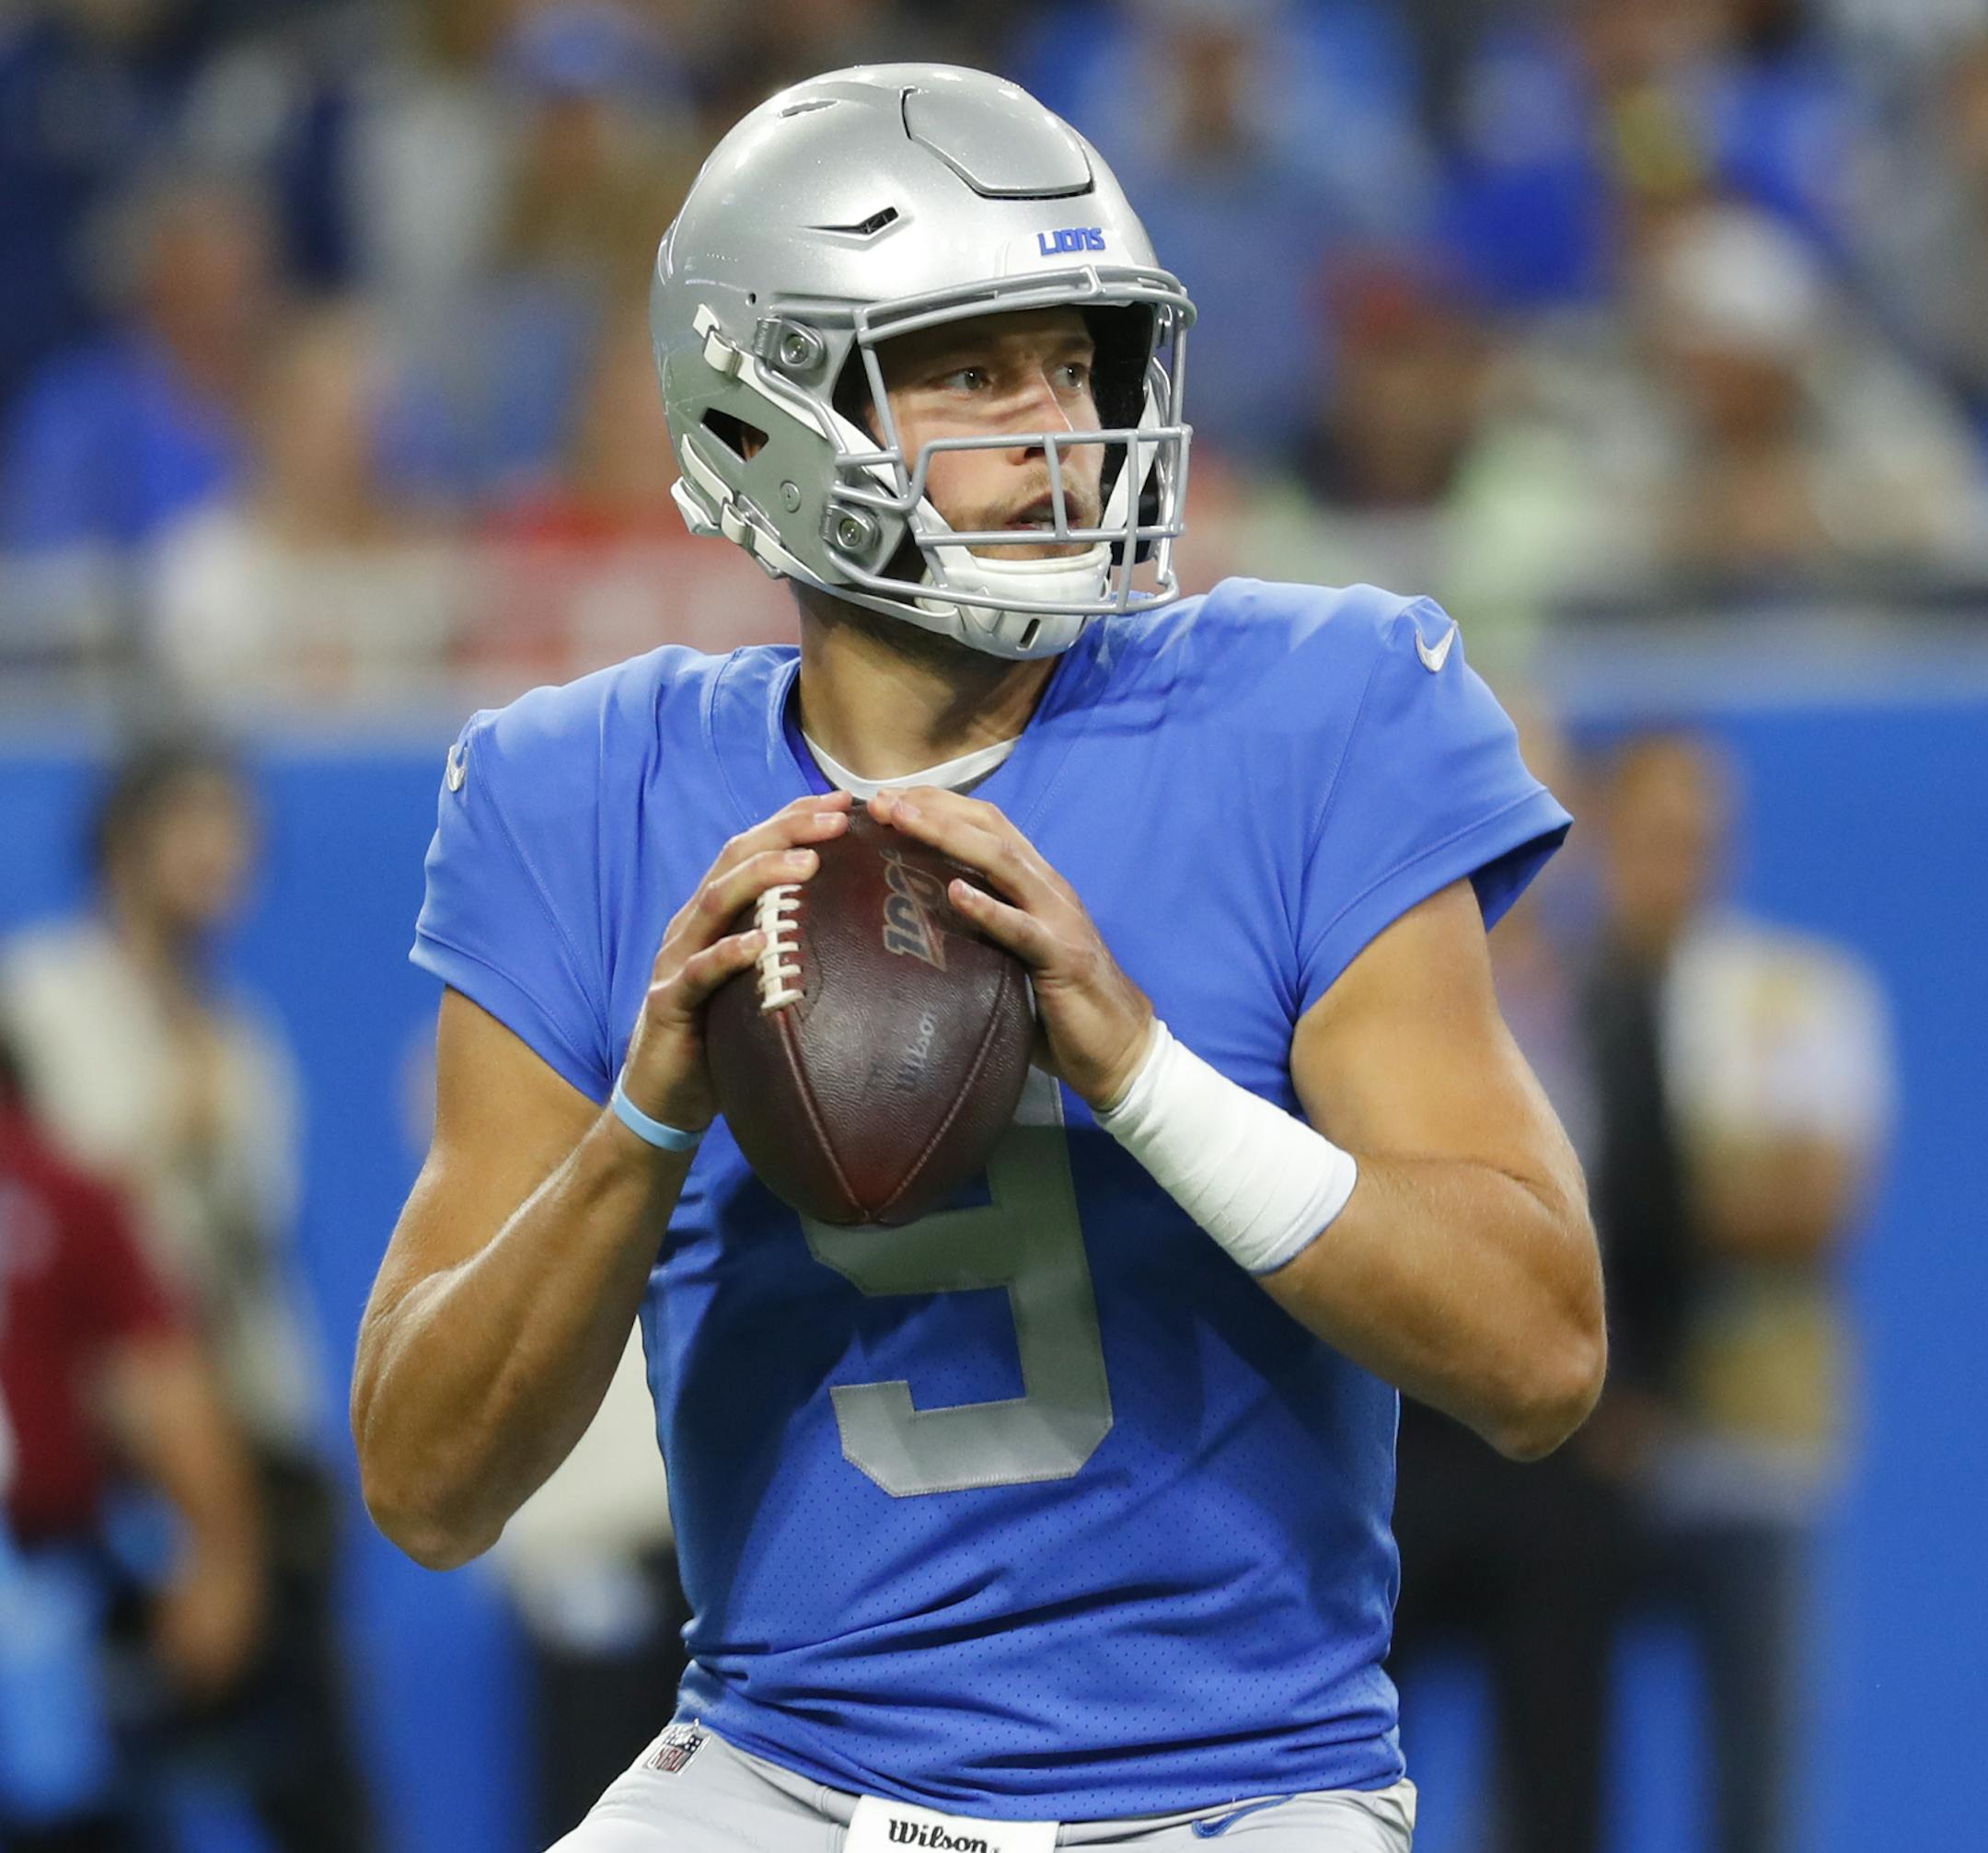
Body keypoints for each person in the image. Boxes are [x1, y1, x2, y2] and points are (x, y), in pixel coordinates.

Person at [353, 64, 1606, 1853]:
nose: (1065, 424)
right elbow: (424, 1478)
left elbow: (1541, 1351)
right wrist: (640, 1124)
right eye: (973, 367)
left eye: (1081, 362)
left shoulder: (1313, 711)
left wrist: (1141, 1074)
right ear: (768, 398)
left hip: (1232, 1791)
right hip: (779, 1765)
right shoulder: (587, 792)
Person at [1, 739, 376, 1853]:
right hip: (104, 1484)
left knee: (326, 1800)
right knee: (94, 1803)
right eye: (200, 822)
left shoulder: (245, 1038)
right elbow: (53, 1234)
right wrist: (172, 1125)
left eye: (241, 828)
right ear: (127, 836)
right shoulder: (39, 999)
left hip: (252, 1448)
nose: (228, 853)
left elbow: (254, 1267)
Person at [1592, 733, 1891, 1853]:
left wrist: (1622, 1199)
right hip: (1588, 1453)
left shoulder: (1803, 996)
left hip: (1756, 1446)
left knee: (1756, 1788)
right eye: (1655, 836)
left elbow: (1817, 1206)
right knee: (1555, 1765)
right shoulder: (1554, 999)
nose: (1680, 862)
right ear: (1605, 841)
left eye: (1700, 837)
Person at [0, 1024, 264, 1850]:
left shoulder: (58, 1196)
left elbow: (161, 1382)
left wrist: (221, 1559)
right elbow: (167, 1386)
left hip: (42, 1609)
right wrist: (223, 1554)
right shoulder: (63, 1192)